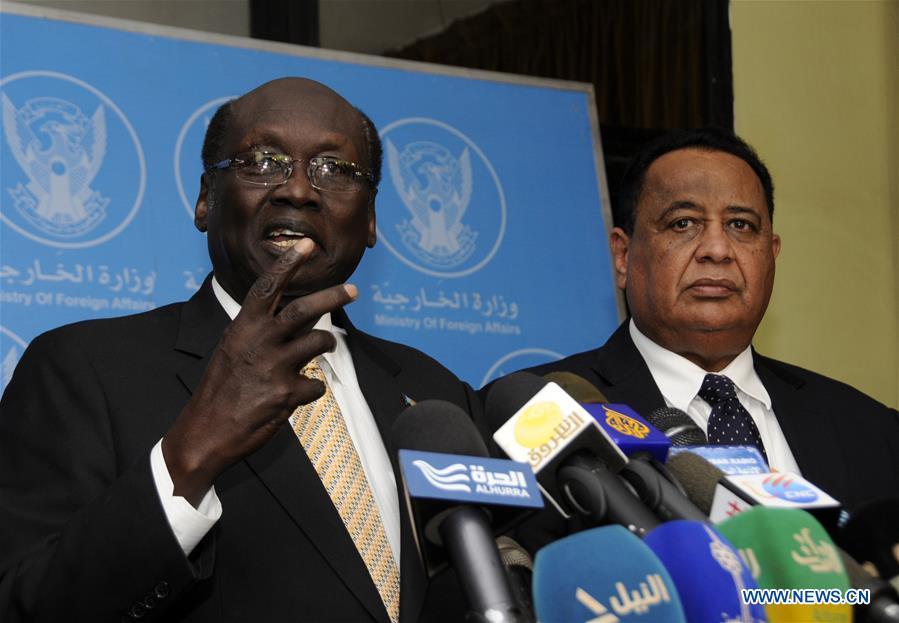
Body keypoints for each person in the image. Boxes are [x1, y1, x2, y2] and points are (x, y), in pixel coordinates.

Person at [0, 77, 482, 622]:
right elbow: (24, 604)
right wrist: (192, 450)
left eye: (334, 170)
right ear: (207, 198)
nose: (298, 190)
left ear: (370, 218)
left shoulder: (438, 394)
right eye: (263, 161)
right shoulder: (83, 368)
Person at [527, 128, 899, 510]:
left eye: (741, 225)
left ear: (771, 255)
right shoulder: (541, 413)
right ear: (623, 255)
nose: (718, 250)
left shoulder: (873, 432)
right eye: (683, 223)